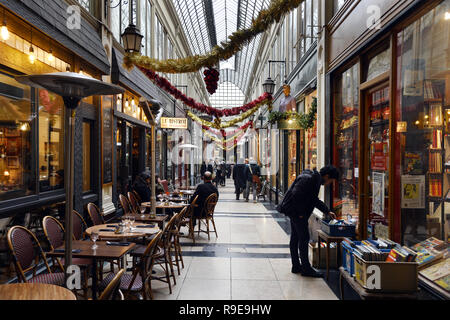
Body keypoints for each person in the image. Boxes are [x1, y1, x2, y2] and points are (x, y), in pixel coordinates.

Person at [280, 165, 339, 277]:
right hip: (297, 213)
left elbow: (313, 200)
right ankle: (306, 268)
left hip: (293, 211)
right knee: (303, 238)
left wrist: (327, 211)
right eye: (330, 181)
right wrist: (301, 213)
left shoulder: (313, 178)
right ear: (326, 176)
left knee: (295, 237)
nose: (329, 183)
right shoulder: (310, 179)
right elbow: (296, 194)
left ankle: (296, 266)